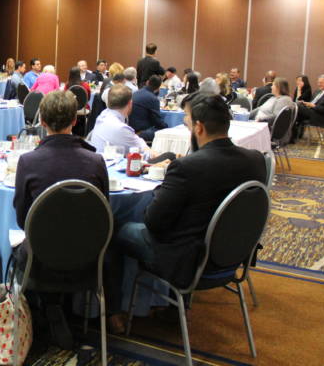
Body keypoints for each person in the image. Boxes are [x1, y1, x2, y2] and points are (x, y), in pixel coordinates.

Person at [114, 93, 266, 326]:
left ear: (199, 128)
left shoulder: (188, 167)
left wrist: (160, 191)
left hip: (189, 259)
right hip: (233, 255)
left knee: (119, 228)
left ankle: (114, 309)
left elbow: (154, 222)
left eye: (186, 121)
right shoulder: (255, 160)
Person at [14, 90, 108, 228]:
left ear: (42, 121)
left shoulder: (28, 162)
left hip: (40, 246)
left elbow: (23, 221)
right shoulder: (96, 161)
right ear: (75, 120)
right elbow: (104, 213)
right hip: (89, 246)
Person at [90, 85, 171, 162]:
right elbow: (147, 154)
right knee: (169, 156)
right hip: (110, 168)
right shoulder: (120, 128)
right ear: (130, 103)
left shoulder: (103, 115)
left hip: (99, 161)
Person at [129, 75, 169, 142]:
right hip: (141, 131)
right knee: (165, 132)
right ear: (158, 88)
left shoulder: (136, 93)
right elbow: (157, 121)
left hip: (131, 127)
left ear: (147, 82)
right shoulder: (153, 98)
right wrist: (168, 126)